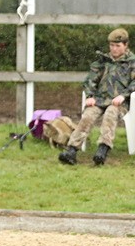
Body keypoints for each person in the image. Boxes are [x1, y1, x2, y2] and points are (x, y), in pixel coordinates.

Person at [58, 27, 135, 166]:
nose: (114, 49)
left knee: (110, 114)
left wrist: (124, 96)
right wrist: (90, 95)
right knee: (87, 116)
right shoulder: (102, 62)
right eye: (112, 45)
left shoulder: (132, 63)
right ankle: (71, 150)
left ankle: (103, 149)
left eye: (118, 46)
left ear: (126, 45)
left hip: (119, 103)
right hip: (99, 100)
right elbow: (90, 81)